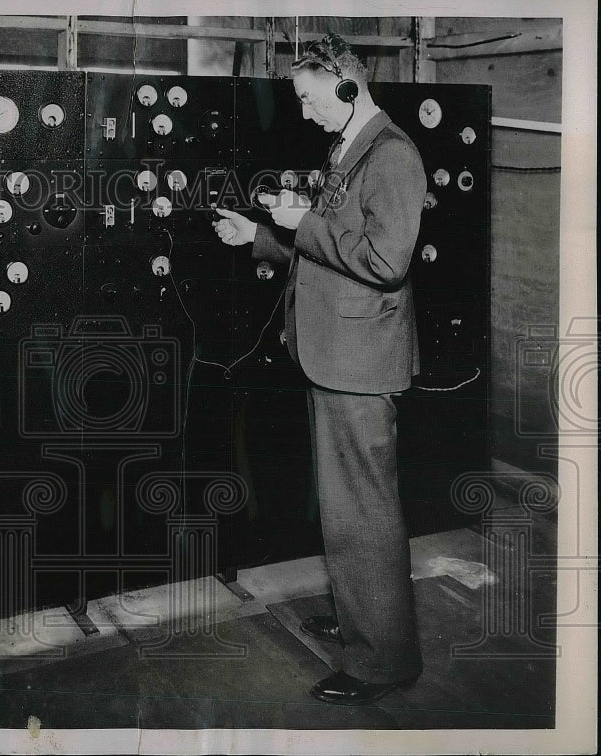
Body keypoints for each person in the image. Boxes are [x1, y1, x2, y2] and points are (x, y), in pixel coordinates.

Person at [213, 33, 427, 706]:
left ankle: (382, 662)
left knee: (362, 510)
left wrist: (301, 220)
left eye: (308, 100)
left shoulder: (391, 154)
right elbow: (337, 245)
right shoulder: (349, 148)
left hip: (360, 361)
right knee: (346, 508)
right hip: (337, 354)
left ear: (343, 85)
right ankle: (364, 618)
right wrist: (263, 237)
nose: (303, 115)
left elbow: (386, 260)